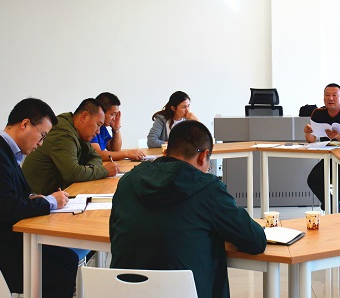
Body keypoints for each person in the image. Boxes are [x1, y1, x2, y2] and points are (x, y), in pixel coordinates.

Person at [110, 120, 266, 298]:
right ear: (203, 156)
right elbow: (255, 241)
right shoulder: (209, 190)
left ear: (166, 151)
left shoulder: (127, 182)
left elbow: (115, 233)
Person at [0, 98, 79, 297]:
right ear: (25, 124)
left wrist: (34, 197)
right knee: (58, 276)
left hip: (1, 241)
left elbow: (9, 196)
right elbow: (9, 209)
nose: (41, 143)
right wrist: (50, 201)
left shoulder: (6, 152)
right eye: (42, 135)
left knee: (68, 259)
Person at [22, 97, 119, 195]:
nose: (98, 132)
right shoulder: (63, 134)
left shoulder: (78, 131)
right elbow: (73, 173)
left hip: (56, 193)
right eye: (98, 125)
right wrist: (104, 171)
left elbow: (96, 157)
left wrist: (88, 170)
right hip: (36, 197)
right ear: (84, 117)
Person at [304, 83, 340, 211]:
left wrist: (337, 136)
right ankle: (334, 206)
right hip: (329, 156)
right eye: (327, 95)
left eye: (335, 95)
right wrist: (307, 132)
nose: (330, 98)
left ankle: (334, 205)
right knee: (313, 179)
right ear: (323, 97)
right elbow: (311, 140)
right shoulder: (317, 113)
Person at [89, 92, 146, 161]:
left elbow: (115, 150)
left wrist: (116, 129)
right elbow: (98, 155)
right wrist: (127, 153)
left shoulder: (102, 128)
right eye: (112, 114)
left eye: (115, 115)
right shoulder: (91, 127)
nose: (114, 118)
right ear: (101, 112)